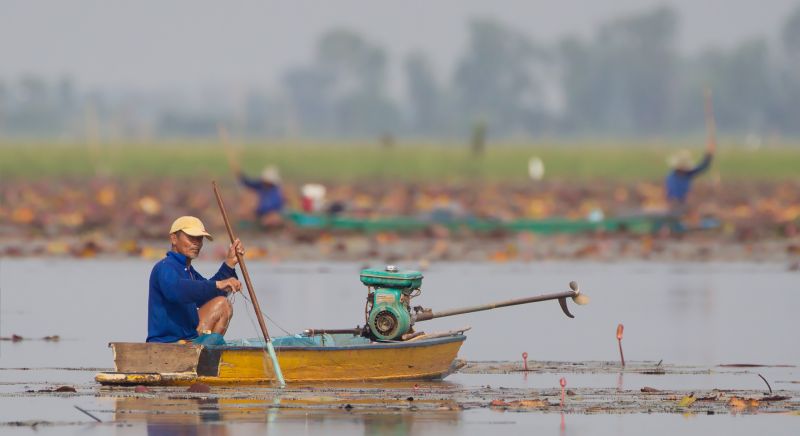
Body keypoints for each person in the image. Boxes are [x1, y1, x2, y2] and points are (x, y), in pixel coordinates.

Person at [147, 216, 244, 345]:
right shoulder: (164, 267)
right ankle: (206, 355)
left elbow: (209, 295)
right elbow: (177, 291)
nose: (196, 243)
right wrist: (219, 284)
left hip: (188, 340)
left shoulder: (189, 271)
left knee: (222, 305)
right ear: (174, 238)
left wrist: (230, 264)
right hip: (166, 343)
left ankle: (205, 355)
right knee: (222, 302)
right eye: (191, 238)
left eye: (199, 239)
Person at [665, 139, 715, 207]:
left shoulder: (687, 174)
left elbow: (703, 166)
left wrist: (709, 154)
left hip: (684, 204)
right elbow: (673, 195)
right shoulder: (672, 178)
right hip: (674, 204)